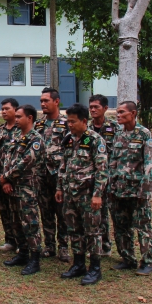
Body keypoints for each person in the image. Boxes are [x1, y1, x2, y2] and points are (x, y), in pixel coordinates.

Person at [55, 104, 109, 285]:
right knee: (74, 230)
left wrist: (97, 194)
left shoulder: (95, 140)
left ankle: (95, 268)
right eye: (68, 121)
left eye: (73, 121)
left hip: (88, 195)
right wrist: (59, 187)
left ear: (84, 121)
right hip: (70, 194)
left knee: (92, 231)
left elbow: (102, 169)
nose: (69, 125)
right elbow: (63, 165)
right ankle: (78, 264)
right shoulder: (69, 139)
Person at [108, 101, 152, 275]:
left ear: (133, 113)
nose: (118, 115)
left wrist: (146, 190)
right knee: (121, 227)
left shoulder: (144, 134)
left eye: (122, 112)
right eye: (118, 112)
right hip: (118, 189)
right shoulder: (118, 134)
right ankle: (127, 259)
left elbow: (149, 164)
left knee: (142, 227)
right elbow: (113, 161)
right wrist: (109, 185)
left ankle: (147, 262)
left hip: (137, 190)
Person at [0, 104, 45, 275]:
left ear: (30, 118)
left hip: (27, 188)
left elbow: (25, 162)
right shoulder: (16, 136)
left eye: (19, 117)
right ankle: (23, 253)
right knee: (16, 221)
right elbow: (7, 158)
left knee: (30, 223)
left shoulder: (36, 140)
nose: (16, 120)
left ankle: (34, 259)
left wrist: (6, 176)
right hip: (12, 187)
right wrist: (5, 181)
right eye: (16, 117)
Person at [34, 87, 70, 262]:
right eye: (41, 101)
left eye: (46, 101)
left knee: (62, 211)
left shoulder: (67, 123)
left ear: (56, 101)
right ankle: (49, 245)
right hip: (41, 174)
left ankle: (63, 246)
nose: (42, 104)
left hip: (59, 174)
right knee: (45, 210)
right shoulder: (38, 124)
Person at [88, 94, 119, 256]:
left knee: (108, 213)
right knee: (94, 213)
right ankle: (97, 246)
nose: (93, 110)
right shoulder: (86, 128)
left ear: (105, 108)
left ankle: (107, 245)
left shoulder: (114, 127)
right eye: (91, 107)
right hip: (91, 177)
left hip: (111, 177)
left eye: (96, 107)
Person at [0, 98, 22, 253]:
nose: (4, 111)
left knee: (17, 210)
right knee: (4, 209)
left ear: (15, 110)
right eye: (2, 109)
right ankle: (9, 239)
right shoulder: (0, 130)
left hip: (16, 178)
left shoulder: (21, 129)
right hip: (1, 176)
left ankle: (20, 241)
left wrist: (9, 178)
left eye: (7, 109)